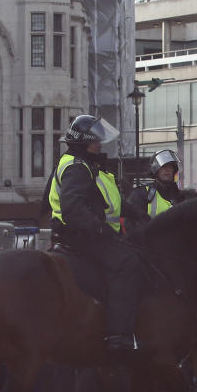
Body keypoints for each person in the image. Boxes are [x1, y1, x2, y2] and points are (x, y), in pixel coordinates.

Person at [44, 115, 148, 350]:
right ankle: (118, 335)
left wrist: (136, 213)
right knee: (128, 263)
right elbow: (73, 207)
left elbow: (111, 202)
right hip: (81, 237)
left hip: (88, 234)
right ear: (84, 142)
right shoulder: (77, 168)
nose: (100, 144)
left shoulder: (85, 165)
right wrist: (99, 228)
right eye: (96, 140)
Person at [128, 149, 186, 223]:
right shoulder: (141, 194)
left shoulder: (181, 196)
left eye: (170, 166)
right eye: (163, 166)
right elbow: (132, 225)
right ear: (155, 170)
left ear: (174, 170)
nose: (167, 170)